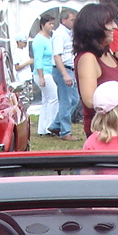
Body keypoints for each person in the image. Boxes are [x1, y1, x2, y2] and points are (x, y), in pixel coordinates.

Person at [74, 2, 118, 135]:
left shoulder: (107, 54)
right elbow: (90, 101)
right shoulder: (88, 58)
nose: (115, 26)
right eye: (109, 23)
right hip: (107, 135)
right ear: (94, 27)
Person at [50, 9, 79, 140]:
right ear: (64, 20)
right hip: (63, 69)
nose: (74, 22)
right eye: (72, 20)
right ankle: (65, 132)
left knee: (74, 99)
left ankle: (56, 124)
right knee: (66, 101)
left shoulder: (69, 34)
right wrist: (64, 74)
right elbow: (57, 56)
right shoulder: (59, 34)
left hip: (70, 69)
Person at [32, 14, 58, 138]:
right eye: (50, 24)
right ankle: (49, 126)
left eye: (53, 24)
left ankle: (43, 128)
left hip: (48, 72)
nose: (52, 26)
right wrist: (41, 76)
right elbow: (38, 60)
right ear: (43, 25)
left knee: (46, 100)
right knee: (53, 98)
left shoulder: (49, 38)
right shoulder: (38, 40)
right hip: (43, 73)